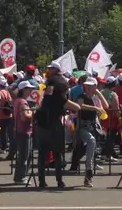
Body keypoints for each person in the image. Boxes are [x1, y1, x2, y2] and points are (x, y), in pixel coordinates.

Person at [35, 61, 79, 189]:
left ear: (54, 69)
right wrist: (75, 107)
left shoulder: (50, 82)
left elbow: (48, 97)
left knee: (43, 153)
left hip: (43, 121)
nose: (48, 70)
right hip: (56, 122)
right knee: (58, 153)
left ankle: (42, 181)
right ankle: (60, 181)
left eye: (50, 68)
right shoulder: (62, 82)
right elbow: (63, 100)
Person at [74, 77, 108, 188]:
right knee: (91, 142)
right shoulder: (82, 96)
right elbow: (80, 106)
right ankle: (88, 170)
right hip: (82, 126)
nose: (87, 87)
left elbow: (106, 106)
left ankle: (88, 176)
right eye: (86, 85)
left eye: (90, 86)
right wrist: (94, 108)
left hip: (93, 126)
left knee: (92, 149)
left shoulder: (95, 97)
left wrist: (98, 93)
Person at [13, 82, 34, 183]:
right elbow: (24, 116)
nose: (30, 91)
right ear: (24, 90)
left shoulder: (19, 101)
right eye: (29, 89)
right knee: (24, 155)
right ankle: (21, 177)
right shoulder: (22, 102)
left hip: (21, 130)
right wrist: (32, 112)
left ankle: (20, 176)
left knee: (24, 154)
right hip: (24, 131)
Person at [0, 78, 14, 153]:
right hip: (9, 115)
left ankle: (3, 147)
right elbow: (10, 101)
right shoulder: (7, 92)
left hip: (1, 116)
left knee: (2, 132)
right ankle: (8, 146)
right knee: (7, 132)